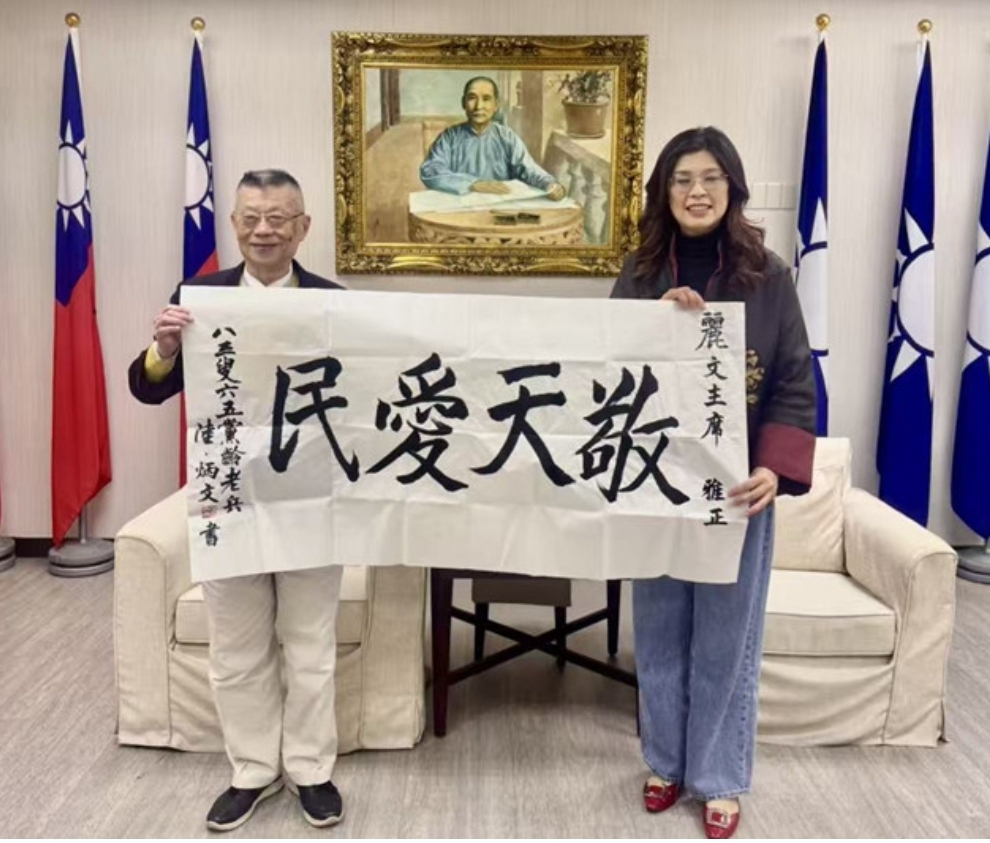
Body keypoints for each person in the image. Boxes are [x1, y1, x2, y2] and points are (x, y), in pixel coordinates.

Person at [610, 127, 816, 840]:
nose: (696, 192)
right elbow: (604, 366)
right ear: (663, 192)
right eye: (682, 179)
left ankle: (720, 775)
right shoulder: (640, 272)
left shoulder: (770, 276)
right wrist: (653, 327)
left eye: (710, 178)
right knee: (660, 629)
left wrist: (773, 467)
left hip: (737, 491)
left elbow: (794, 379)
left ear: (733, 187)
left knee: (728, 636)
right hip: (657, 484)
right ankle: (665, 762)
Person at [128, 169, 346, 833]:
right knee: (236, 648)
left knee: (309, 645)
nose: (264, 230)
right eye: (251, 218)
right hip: (227, 496)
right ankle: (252, 770)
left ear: (303, 227)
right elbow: (147, 386)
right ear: (234, 224)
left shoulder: (336, 304)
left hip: (310, 499)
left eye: (278, 218)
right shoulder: (200, 298)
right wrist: (165, 347)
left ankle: (310, 769)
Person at [419, 75, 566, 199]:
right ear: (463, 103)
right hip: (459, 206)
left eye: (486, 99)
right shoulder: (449, 137)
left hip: (499, 206)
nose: (478, 106)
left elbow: (528, 169)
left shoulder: (506, 137)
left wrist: (549, 184)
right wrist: (472, 184)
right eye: (472, 98)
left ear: (496, 105)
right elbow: (430, 170)